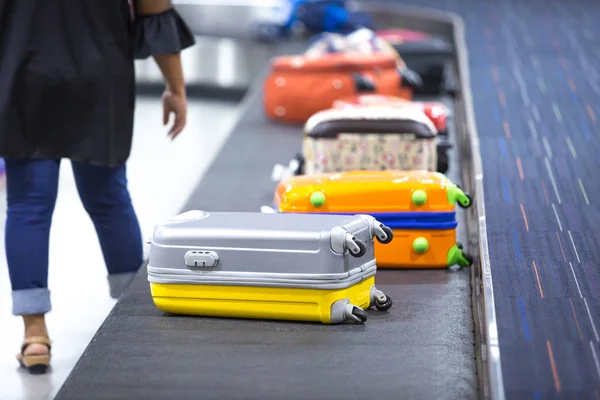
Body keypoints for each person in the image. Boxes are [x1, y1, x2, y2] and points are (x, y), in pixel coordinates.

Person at [0, 0, 195, 374]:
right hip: (100, 76)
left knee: (28, 205)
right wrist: (175, 86)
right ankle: (133, 321)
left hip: (22, 74)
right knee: (109, 199)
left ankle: (35, 334)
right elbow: (155, 10)